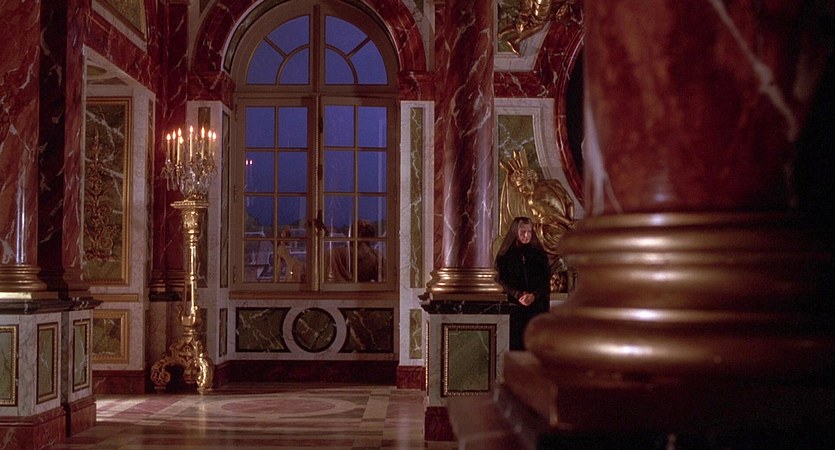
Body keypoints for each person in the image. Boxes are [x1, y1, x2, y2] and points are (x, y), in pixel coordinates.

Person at [495, 216, 551, 350]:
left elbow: (545, 281)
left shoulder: (539, 255)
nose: (526, 235)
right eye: (523, 232)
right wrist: (518, 294)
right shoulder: (505, 256)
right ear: (516, 232)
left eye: (529, 232)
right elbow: (500, 281)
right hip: (514, 309)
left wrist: (534, 296)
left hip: (536, 308)